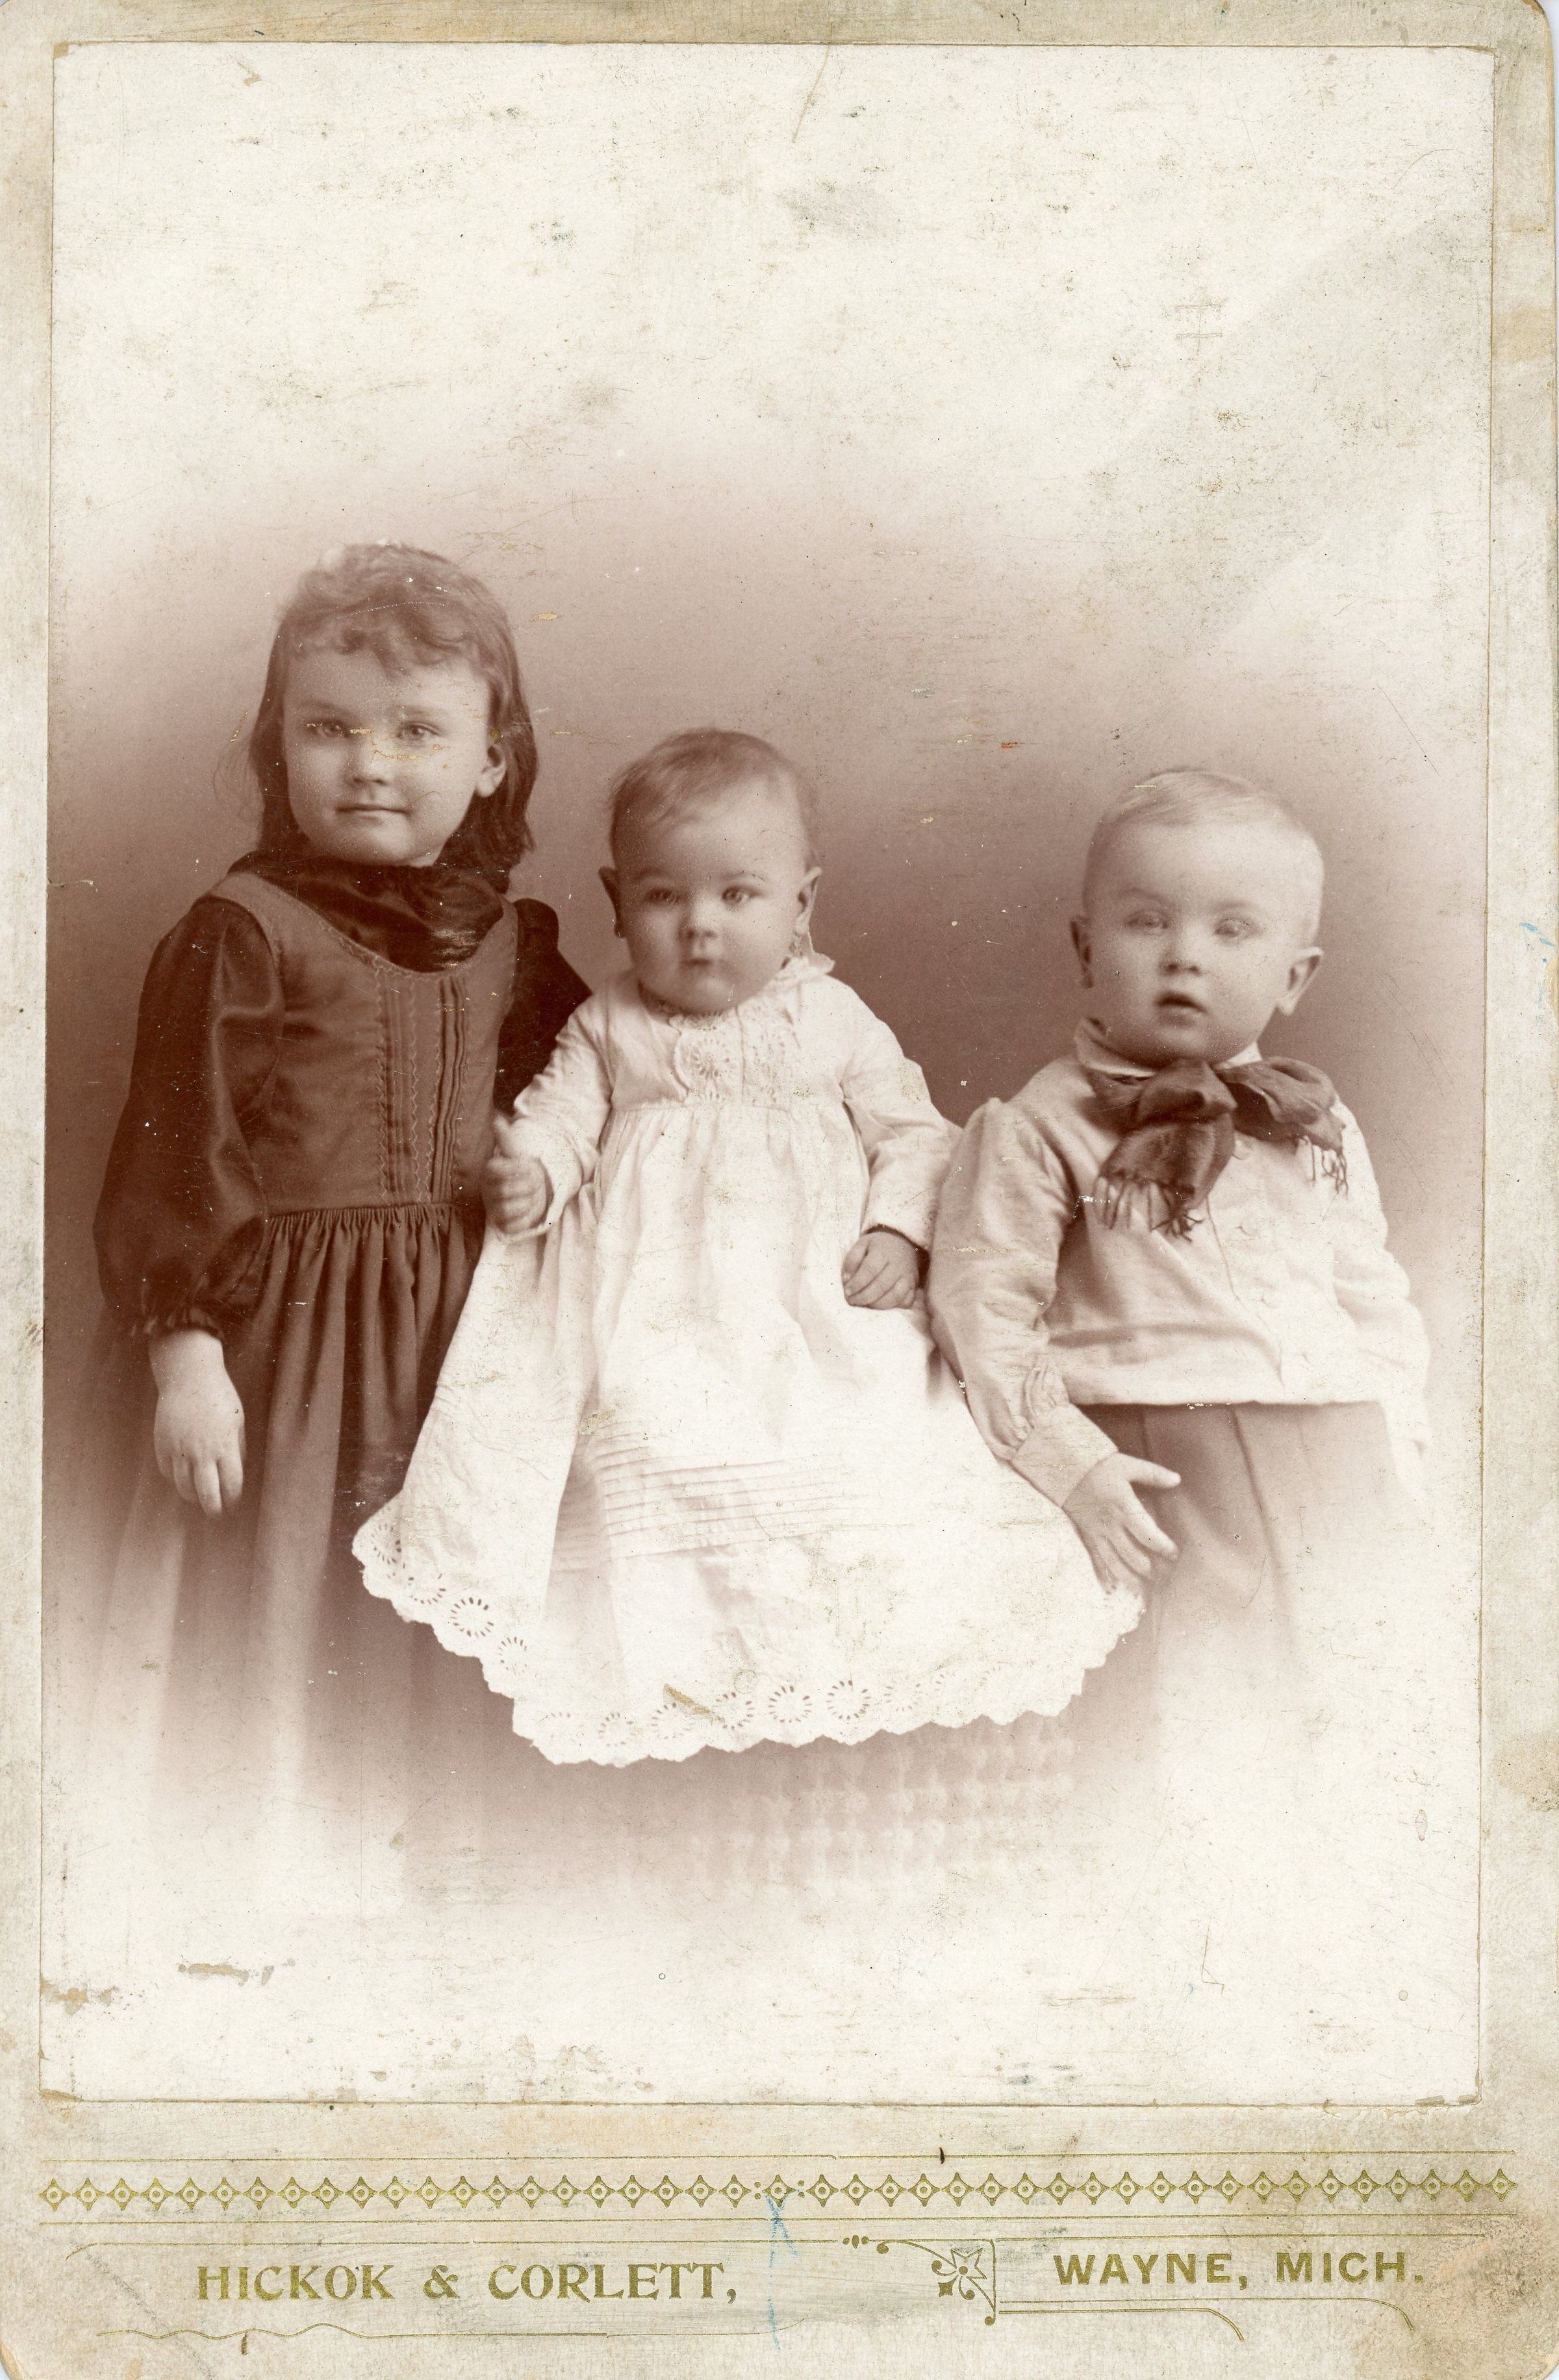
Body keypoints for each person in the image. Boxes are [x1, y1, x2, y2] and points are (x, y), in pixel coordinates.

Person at [355, 729, 1135, 1764]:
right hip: (659, 1304)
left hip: (813, 1298)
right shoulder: (609, 1025)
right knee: (648, 1435)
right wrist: (535, 1170)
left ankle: (840, 1665)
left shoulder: (834, 1018)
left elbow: (914, 1134)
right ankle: (686, 1674)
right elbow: (559, 1120)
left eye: (738, 896)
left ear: (801, 904)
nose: (700, 927)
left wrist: (898, 1229)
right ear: (616, 901)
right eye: (663, 897)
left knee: (876, 1427)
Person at [929, 768, 1473, 2072]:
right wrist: (1072, 1464)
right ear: (1086, 944)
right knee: (1190, 1730)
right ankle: (1181, 2005)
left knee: (1361, 1714)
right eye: (1146, 921)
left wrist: (1404, 1441)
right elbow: (985, 1310)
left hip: (1335, 1449)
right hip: (1164, 1458)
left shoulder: (1315, 1119)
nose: (1184, 955)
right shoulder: (1038, 1124)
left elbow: (1369, 1286)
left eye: (1233, 929)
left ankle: (1350, 1995)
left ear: (1296, 973)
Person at [70, 542, 587, 1858]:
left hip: (464, 1340)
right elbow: (178, 1151)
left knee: (444, 1600)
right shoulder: (240, 927)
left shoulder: (515, 942)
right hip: (282, 1343)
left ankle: (438, 1862)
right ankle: (277, 1865)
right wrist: (187, 1357)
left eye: (417, 730)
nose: (369, 762)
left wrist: (545, 1158)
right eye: (329, 727)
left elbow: (587, 1103)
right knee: (287, 1596)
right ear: (279, 745)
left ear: (492, 760)